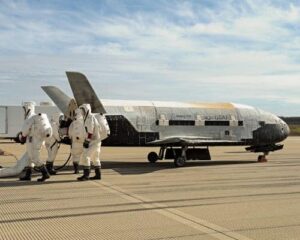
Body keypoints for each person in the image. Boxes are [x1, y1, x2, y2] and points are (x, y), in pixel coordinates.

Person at [19, 105, 53, 182]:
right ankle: (28, 175)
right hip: (37, 140)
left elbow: (25, 131)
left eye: (24, 109)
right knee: (29, 157)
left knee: (34, 158)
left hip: (33, 141)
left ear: (27, 109)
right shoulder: (36, 118)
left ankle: (45, 173)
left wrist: (22, 137)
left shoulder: (30, 118)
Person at [77, 104, 102, 181]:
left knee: (86, 156)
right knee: (95, 158)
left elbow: (90, 131)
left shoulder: (89, 118)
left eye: (83, 110)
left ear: (86, 110)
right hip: (97, 141)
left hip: (92, 141)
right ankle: (98, 175)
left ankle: (86, 175)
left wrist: (87, 141)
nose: (82, 112)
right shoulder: (92, 117)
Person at [68, 108, 85, 174]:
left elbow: (69, 132)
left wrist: (71, 138)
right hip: (83, 142)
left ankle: (76, 170)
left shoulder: (73, 123)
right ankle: (85, 171)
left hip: (75, 142)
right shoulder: (84, 121)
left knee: (75, 156)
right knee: (85, 156)